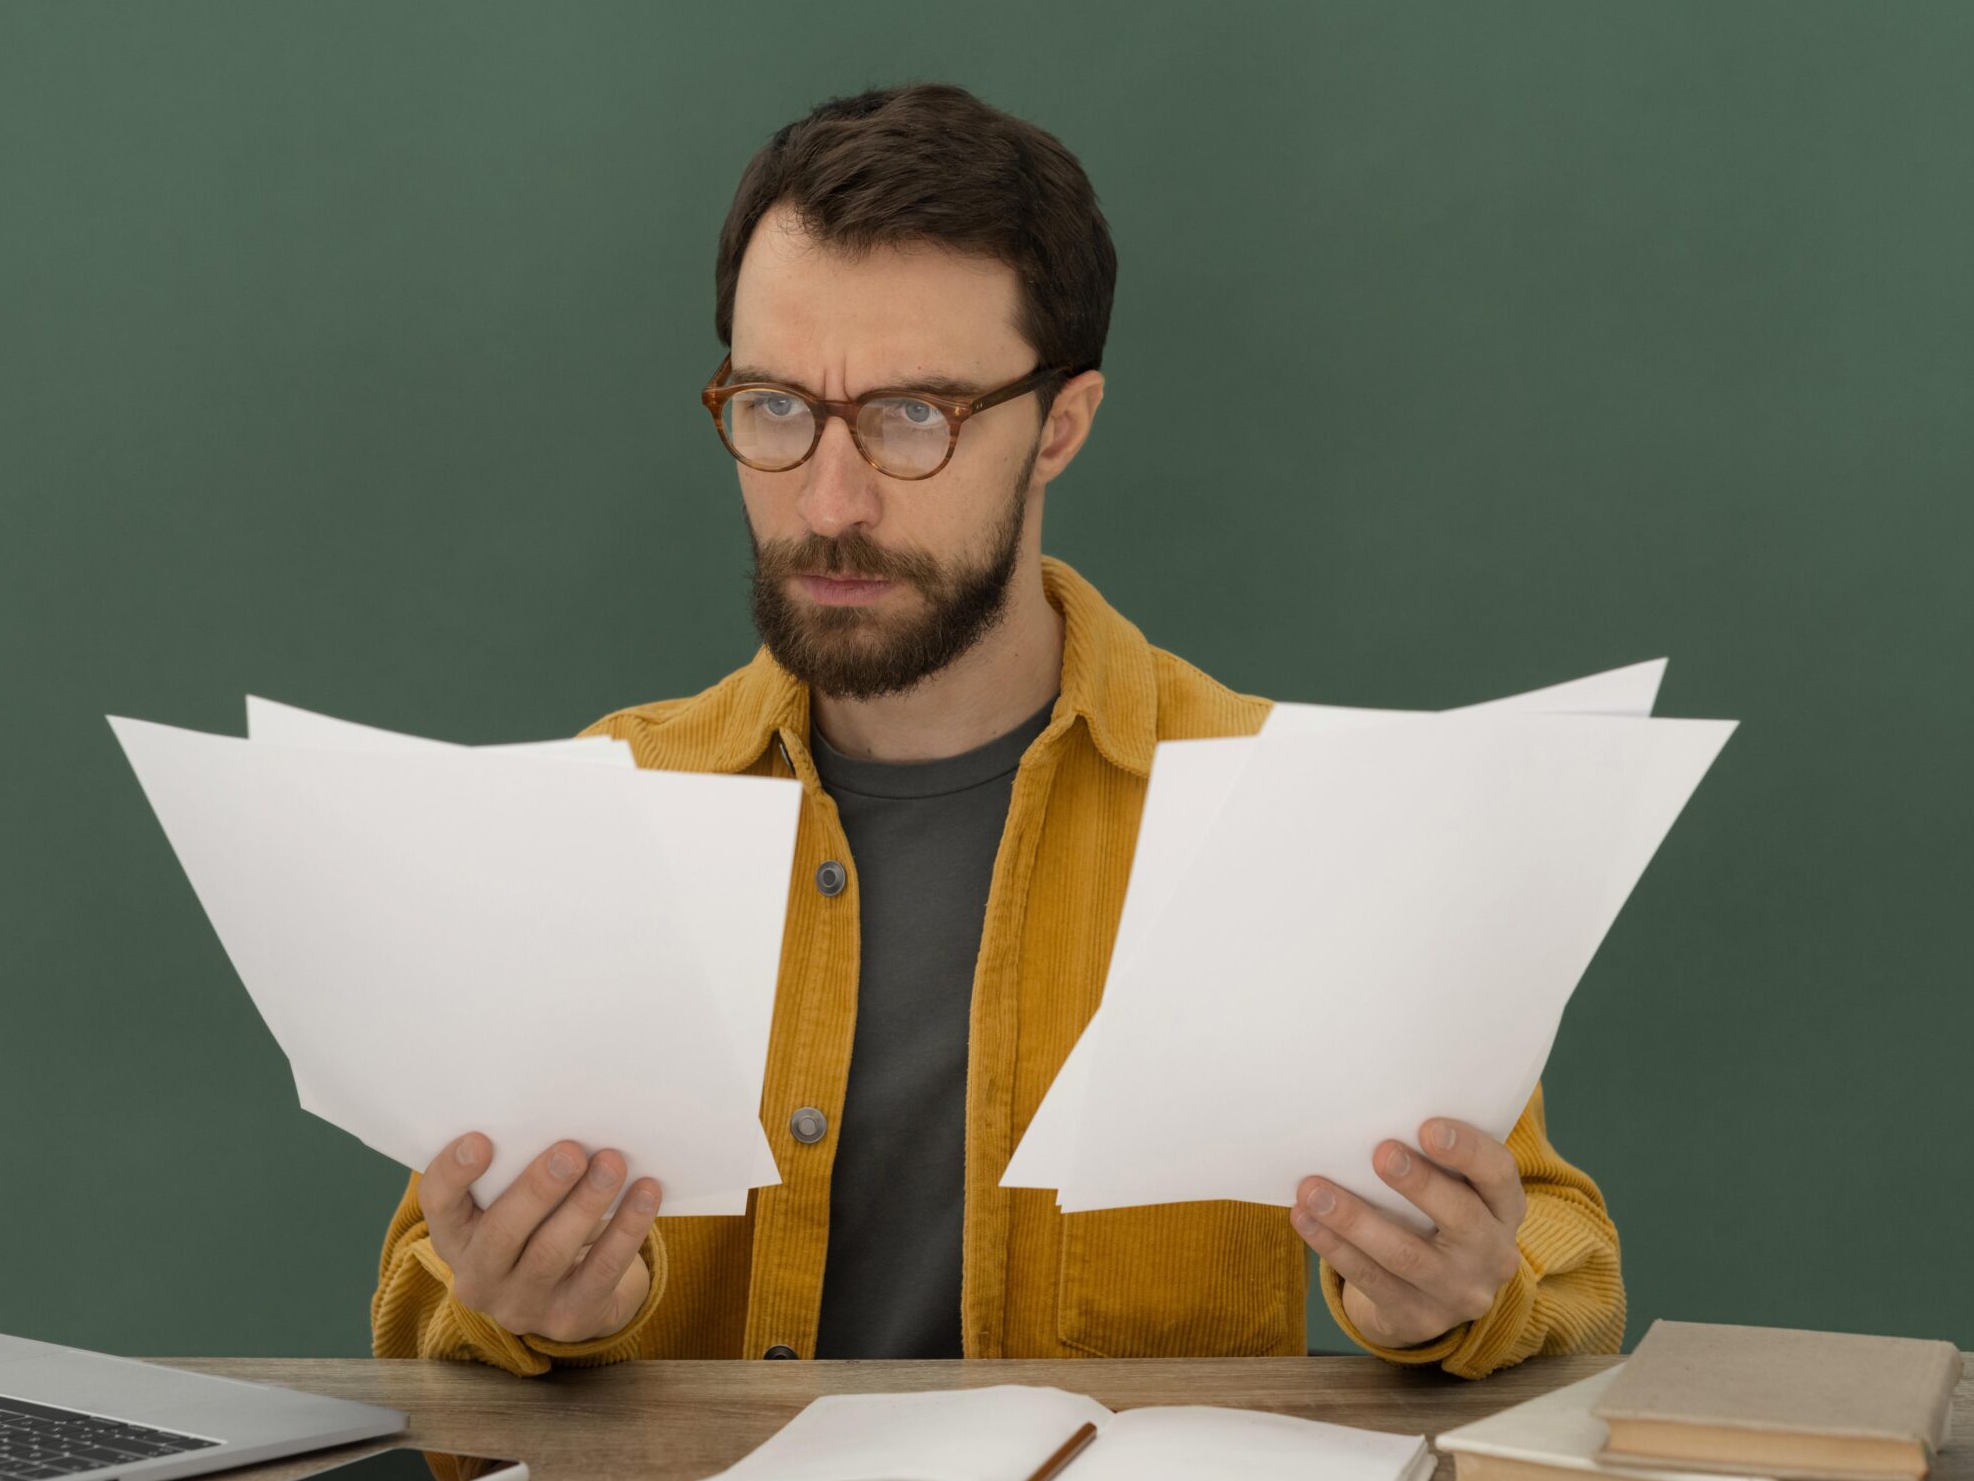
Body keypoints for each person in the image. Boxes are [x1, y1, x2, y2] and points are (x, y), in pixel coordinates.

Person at [373, 83, 1622, 1378]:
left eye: (914, 415)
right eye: (777, 406)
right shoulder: (614, 802)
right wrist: (521, 1303)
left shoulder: (1286, 810)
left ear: (1060, 428)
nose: (830, 497)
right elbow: (415, 1306)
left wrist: (1464, 1286)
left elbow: (1568, 1252)